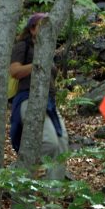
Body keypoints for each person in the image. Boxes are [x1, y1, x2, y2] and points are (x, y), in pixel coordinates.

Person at [9, 12, 69, 180]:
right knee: (49, 142)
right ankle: (22, 171)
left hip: (48, 102)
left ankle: (52, 196)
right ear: (32, 29)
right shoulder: (23, 46)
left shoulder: (47, 50)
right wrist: (37, 64)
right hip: (28, 99)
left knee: (62, 144)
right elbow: (14, 71)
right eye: (42, 26)